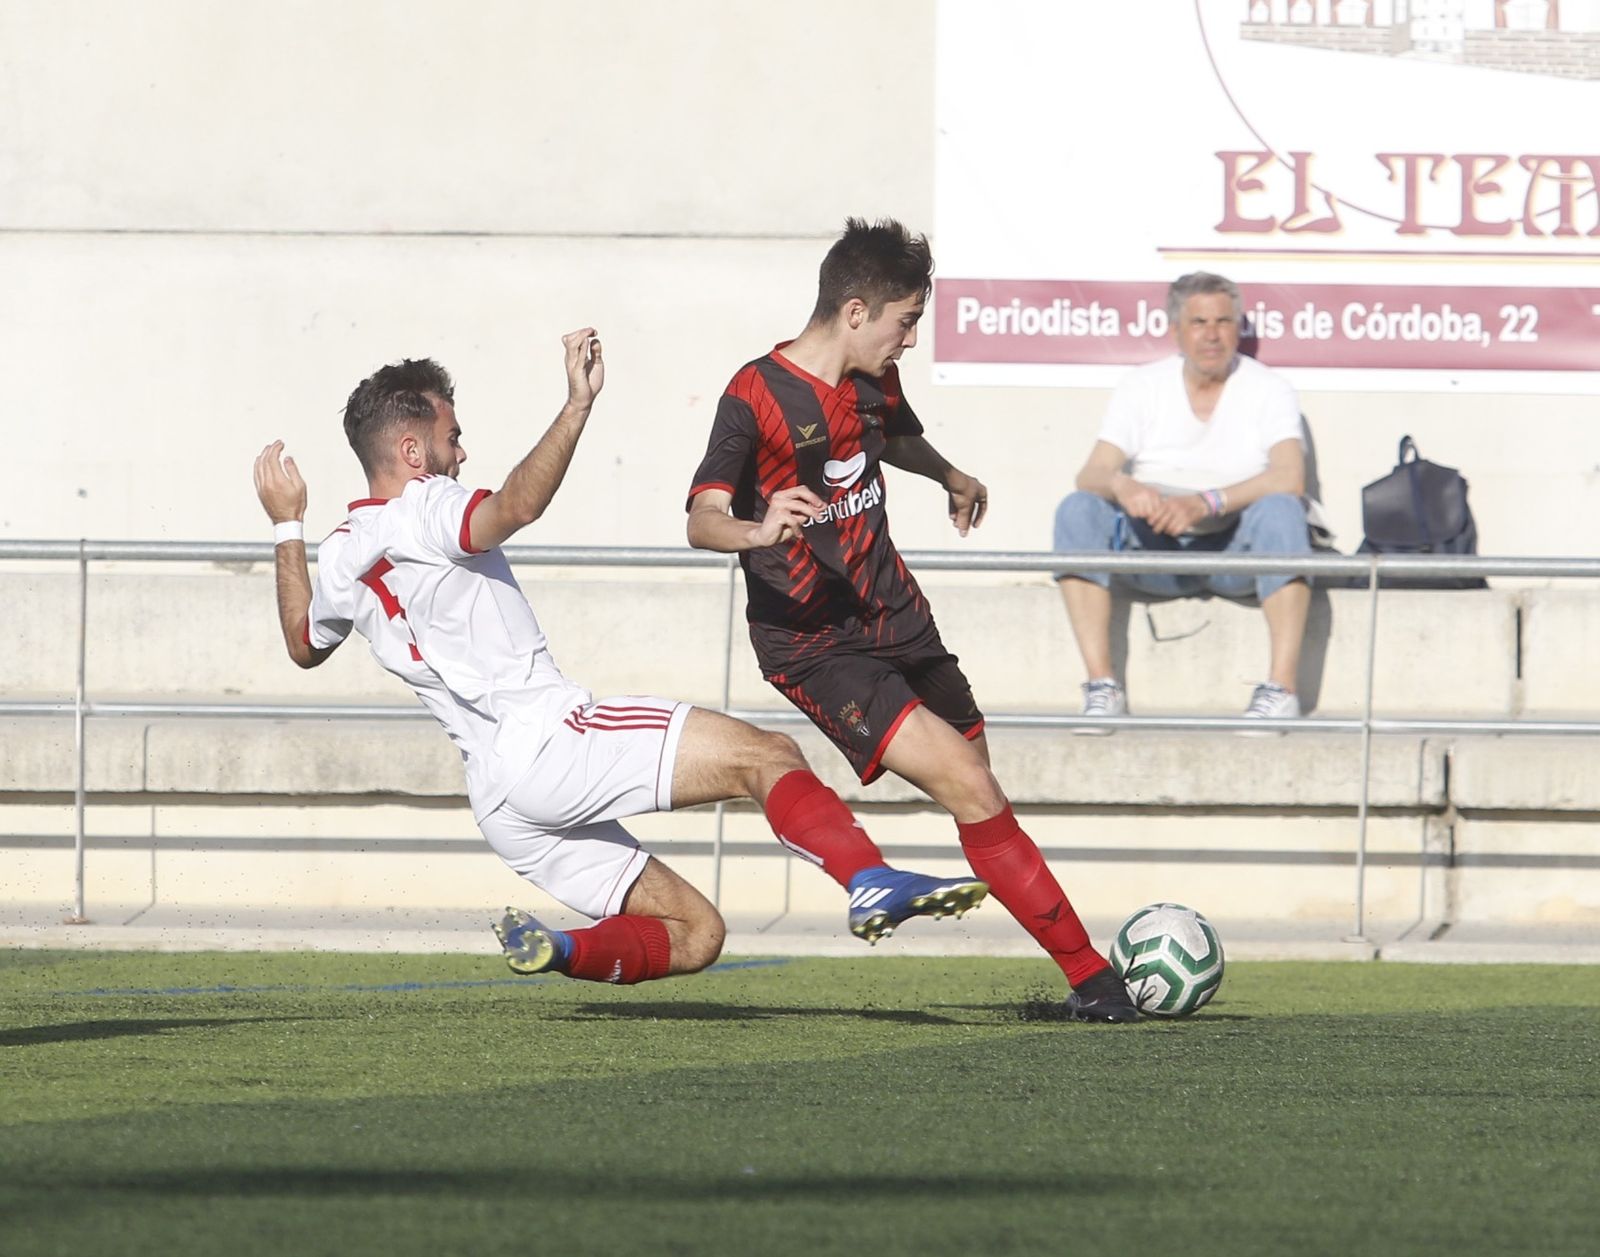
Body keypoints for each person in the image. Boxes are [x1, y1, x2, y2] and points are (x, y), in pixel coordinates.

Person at [251, 330, 991, 988]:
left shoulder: (343, 551)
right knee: (767, 754)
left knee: (697, 935)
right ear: (413, 453)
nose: (460, 451)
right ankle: (867, 878)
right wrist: (576, 404)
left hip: (501, 801)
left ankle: (559, 948)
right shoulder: (427, 504)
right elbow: (514, 506)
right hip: (547, 739)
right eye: (452, 436)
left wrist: (288, 522)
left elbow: (302, 643)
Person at [685, 218, 1137, 1023]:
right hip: (812, 641)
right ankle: (1096, 982)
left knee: (983, 787)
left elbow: (887, 437)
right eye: (906, 320)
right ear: (854, 312)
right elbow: (702, 517)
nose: (913, 338)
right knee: (969, 784)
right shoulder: (754, 394)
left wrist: (950, 473)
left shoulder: (870, 377)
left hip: (898, 614)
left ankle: (1076, 974)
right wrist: (756, 530)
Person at [1052, 271, 1313, 732]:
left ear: (1238, 327)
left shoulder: (1269, 388)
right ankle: (1101, 687)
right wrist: (1123, 486)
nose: (1212, 334)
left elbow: (1290, 476)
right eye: (1199, 322)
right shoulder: (1143, 385)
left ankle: (1281, 690)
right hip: (1154, 547)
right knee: (1078, 509)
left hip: (1237, 547)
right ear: (1176, 330)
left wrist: (1207, 502)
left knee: (1283, 511)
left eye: (1223, 321)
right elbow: (1089, 473)